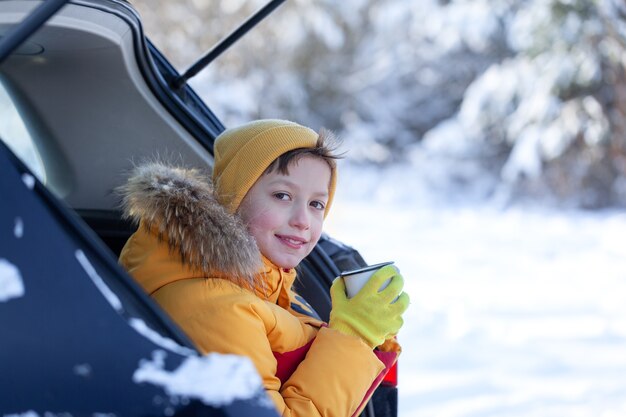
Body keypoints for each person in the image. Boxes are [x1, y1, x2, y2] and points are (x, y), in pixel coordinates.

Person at [118, 119, 410, 417]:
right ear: (234, 197)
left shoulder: (271, 288)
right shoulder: (214, 308)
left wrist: (372, 335)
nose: (303, 221)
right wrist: (355, 336)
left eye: (316, 204)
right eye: (282, 196)